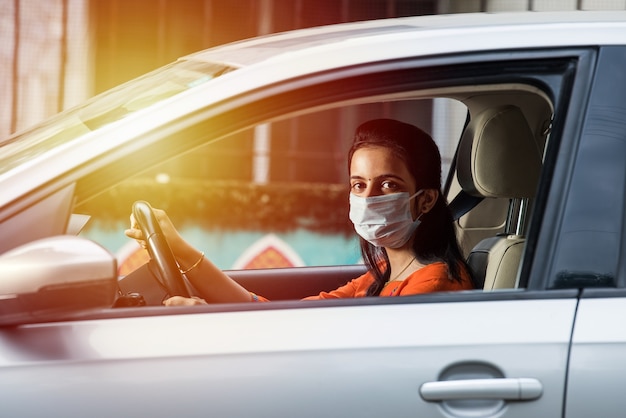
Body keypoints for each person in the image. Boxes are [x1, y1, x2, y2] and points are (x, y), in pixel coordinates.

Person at [125, 118, 473, 305]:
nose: (368, 198)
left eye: (388, 185)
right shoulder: (385, 271)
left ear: (425, 200)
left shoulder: (433, 283)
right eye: (358, 185)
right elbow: (290, 318)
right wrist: (179, 249)